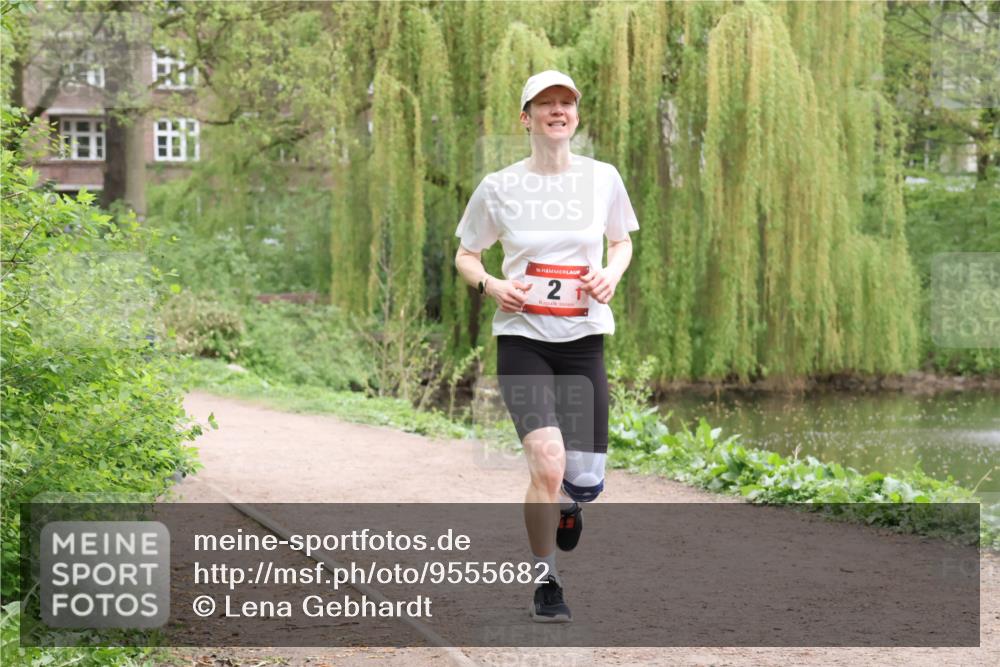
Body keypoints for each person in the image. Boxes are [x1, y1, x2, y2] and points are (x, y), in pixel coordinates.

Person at [454, 70, 639, 623]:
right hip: (523, 341)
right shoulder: (499, 186)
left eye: (567, 103)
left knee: (582, 480)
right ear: (526, 116)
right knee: (547, 463)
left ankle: (571, 506)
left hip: (583, 341)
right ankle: (546, 581)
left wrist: (612, 274)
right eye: (545, 104)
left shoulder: (602, 178)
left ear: (575, 115)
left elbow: (621, 241)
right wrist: (493, 285)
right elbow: (467, 256)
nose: (558, 111)